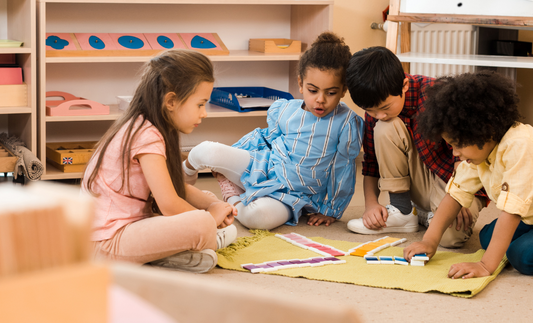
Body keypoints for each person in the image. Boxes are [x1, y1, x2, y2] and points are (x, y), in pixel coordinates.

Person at [183, 32, 364, 231]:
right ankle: (179, 182)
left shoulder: (346, 122)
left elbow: (343, 170)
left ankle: (230, 197)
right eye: (313, 91)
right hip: (264, 167)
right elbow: (262, 139)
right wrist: (231, 156)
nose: (320, 99)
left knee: (258, 218)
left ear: (343, 90)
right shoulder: (285, 109)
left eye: (331, 93)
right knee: (205, 151)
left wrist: (331, 210)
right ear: (300, 83)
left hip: (295, 195)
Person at [82, 50, 238, 273]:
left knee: (208, 201)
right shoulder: (146, 135)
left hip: (126, 229)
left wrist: (212, 205)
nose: (204, 113)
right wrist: (210, 217)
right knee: (202, 223)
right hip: (107, 243)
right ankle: (202, 242)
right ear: (171, 101)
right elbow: (169, 204)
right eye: (200, 104)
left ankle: (169, 254)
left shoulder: (147, 126)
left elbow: (173, 189)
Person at [345, 46, 486, 247]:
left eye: (384, 108)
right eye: (370, 111)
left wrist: (460, 195)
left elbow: (463, 155)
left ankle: (424, 214)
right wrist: (371, 205)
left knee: (450, 237)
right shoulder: (377, 113)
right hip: (420, 179)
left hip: (455, 179)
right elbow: (371, 162)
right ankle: (402, 211)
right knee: (384, 128)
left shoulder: (436, 95)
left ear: (404, 85)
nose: (379, 116)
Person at [404, 71, 533, 278]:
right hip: (530, 218)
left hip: (523, 216)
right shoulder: (481, 151)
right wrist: (429, 241)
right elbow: (455, 195)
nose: (454, 153)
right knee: (487, 238)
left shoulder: (520, 145)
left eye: (457, 145)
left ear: (485, 130)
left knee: (522, 256)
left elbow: (512, 213)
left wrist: (485, 265)